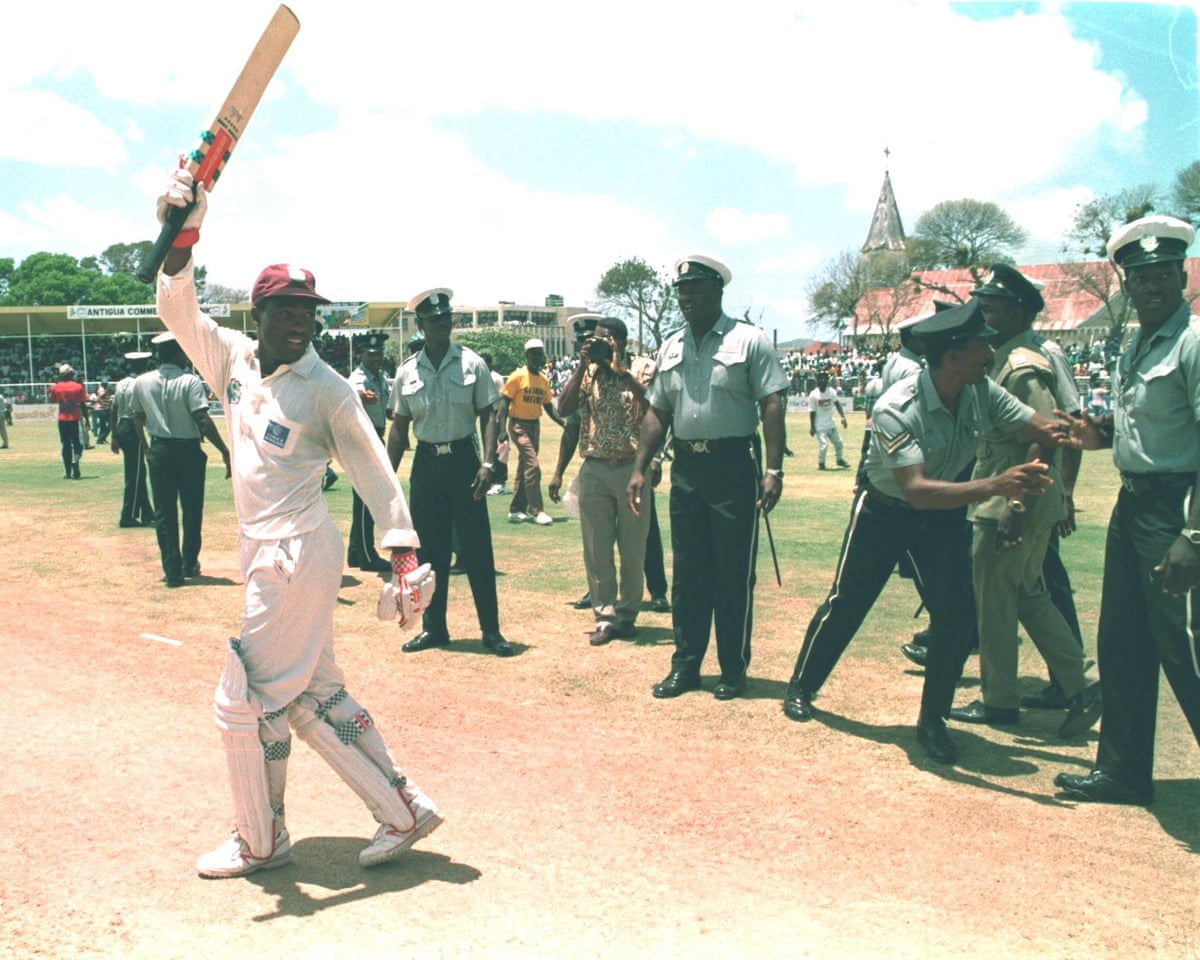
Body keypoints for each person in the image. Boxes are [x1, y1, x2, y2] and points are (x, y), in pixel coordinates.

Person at [155, 167, 441, 877]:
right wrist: (184, 232)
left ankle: (260, 838)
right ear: (258, 313)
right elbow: (176, 308)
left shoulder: (329, 391)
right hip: (263, 550)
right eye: (285, 309)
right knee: (317, 697)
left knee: (243, 699)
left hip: (297, 553)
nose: (299, 321)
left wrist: (403, 559)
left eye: (307, 310)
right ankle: (403, 809)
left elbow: (379, 475)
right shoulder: (233, 358)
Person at [782, 299, 1071, 764]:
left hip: (942, 515)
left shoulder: (981, 390)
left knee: (955, 618)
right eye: (982, 347)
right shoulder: (898, 406)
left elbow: (1041, 424)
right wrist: (999, 484)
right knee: (848, 603)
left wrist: (1079, 430)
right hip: (885, 512)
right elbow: (915, 489)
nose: (990, 355)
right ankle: (802, 687)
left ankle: (932, 722)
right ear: (952, 356)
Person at [1055, 215, 1200, 805]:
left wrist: (1194, 533)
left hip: (1178, 509)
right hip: (1132, 504)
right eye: (1139, 276)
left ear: (1183, 273)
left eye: (1163, 272)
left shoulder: (1193, 342)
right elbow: (1141, 426)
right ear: (1126, 282)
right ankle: (1122, 771)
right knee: (1122, 643)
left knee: (1186, 651)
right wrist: (1099, 435)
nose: (1151, 284)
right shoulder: (1135, 342)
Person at [946, 265, 1101, 737]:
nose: (984, 317)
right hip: (1017, 491)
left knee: (996, 597)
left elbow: (1046, 434)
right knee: (1029, 594)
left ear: (1017, 310)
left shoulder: (1021, 365)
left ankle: (1000, 700)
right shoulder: (1012, 356)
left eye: (991, 309)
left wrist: (1015, 506)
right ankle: (1083, 684)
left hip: (1012, 495)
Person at [627, 254, 789, 701]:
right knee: (689, 575)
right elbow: (658, 410)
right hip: (688, 471)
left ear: (718, 291)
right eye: (681, 291)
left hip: (734, 466)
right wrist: (641, 467)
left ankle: (733, 669)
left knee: (732, 574)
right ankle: (686, 666)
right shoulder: (672, 346)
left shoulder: (749, 340)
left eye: (695, 289)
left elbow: (771, 404)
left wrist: (773, 470)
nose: (686, 298)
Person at [387, 288, 513, 657]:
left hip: (463, 462)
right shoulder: (407, 371)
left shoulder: (472, 364)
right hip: (426, 465)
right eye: (434, 320)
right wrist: (386, 475)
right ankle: (434, 628)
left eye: (447, 318)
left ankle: (491, 631)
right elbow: (399, 428)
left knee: (476, 550)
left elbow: (489, 414)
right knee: (431, 555)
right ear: (421, 325)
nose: (443, 324)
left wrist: (489, 462)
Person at [554, 315, 656, 645]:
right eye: (594, 340)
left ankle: (627, 614)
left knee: (632, 547)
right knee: (597, 547)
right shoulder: (589, 372)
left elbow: (656, 408)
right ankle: (605, 614)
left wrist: (621, 372)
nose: (598, 344)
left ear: (621, 341)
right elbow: (564, 407)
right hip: (595, 467)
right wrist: (583, 366)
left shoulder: (641, 368)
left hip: (632, 468)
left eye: (605, 340)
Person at [128, 332, 231, 588]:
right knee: (192, 509)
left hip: (159, 450)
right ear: (177, 353)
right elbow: (202, 419)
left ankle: (172, 570)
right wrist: (224, 449)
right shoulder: (190, 381)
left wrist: (146, 448)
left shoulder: (140, 382)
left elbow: (137, 418)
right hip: (188, 451)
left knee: (164, 513)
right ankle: (189, 562)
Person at [496, 338, 566, 525]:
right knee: (533, 465)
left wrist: (564, 423)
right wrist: (501, 430)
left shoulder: (543, 380)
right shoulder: (518, 376)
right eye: (533, 353)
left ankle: (516, 509)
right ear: (526, 355)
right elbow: (503, 403)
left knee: (524, 467)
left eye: (540, 353)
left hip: (535, 425)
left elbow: (549, 406)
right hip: (518, 425)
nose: (538, 357)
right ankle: (537, 510)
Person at [346, 332, 393, 573]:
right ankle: (367, 555)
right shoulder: (360, 377)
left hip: (376, 434)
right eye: (371, 354)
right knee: (367, 498)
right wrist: (361, 396)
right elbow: (351, 393)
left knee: (364, 498)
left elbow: (384, 408)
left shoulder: (380, 377)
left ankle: (355, 551)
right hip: (364, 438)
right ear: (362, 355)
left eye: (379, 353)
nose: (376, 357)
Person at [110, 351, 156, 526]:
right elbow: (140, 415)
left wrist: (113, 435)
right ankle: (127, 515)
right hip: (132, 428)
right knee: (135, 475)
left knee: (138, 472)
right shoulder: (142, 384)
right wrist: (145, 443)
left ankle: (146, 512)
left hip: (122, 426)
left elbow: (113, 410)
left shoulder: (121, 383)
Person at [48, 364, 87, 479]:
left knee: (65, 445)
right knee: (77, 444)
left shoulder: (56, 387)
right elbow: (82, 403)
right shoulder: (78, 387)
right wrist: (86, 418)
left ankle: (67, 472)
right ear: (71, 374)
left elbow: (52, 399)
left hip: (62, 419)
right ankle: (76, 460)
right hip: (74, 418)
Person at [479, 352, 509, 495]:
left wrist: (502, 428)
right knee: (489, 449)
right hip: (487, 418)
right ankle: (490, 480)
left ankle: (500, 482)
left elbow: (502, 403)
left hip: (497, 417)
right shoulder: (482, 377)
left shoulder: (496, 378)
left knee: (500, 451)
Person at [808, 370, 849, 470]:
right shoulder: (813, 394)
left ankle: (839, 460)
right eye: (821, 378)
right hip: (820, 426)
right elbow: (812, 412)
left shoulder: (831, 392)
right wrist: (812, 427)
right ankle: (821, 463)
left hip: (831, 423)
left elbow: (837, 404)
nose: (823, 380)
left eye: (825, 378)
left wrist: (843, 417)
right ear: (817, 380)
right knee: (824, 445)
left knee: (839, 442)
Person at [90, 379, 113, 445]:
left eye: (106, 383)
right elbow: (99, 398)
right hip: (103, 409)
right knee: (109, 425)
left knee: (104, 426)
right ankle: (101, 439)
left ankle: (102, 438)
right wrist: (102, 403)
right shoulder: (102, 389)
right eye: (104, 384)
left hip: (105, 409)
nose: (105, 385)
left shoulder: (105, 389)